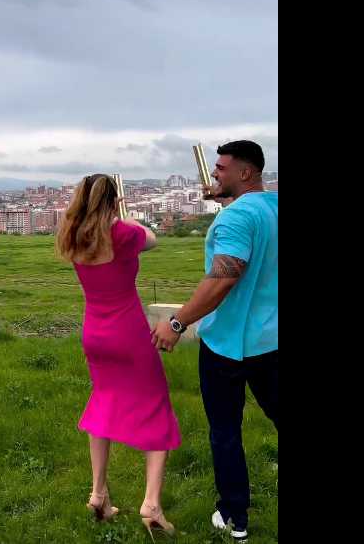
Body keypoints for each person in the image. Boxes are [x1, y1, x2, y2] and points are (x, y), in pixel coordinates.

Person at [151, 141, 278, 541]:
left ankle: (235, 517)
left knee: (225, 430)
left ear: (244, 172)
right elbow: (254, 229)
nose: (213, 174)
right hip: (270, 339)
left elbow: (224, 278)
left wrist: (177, 322)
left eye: (221, 169)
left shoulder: (236, 218)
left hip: (226, 344)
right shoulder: (271, 206)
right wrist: (225, 198)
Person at [56, 174, 180, 538]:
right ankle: (152, 505)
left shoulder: (73, 235)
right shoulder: (123, 235)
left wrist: (108, 213)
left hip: (95, 335)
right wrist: (124, 216)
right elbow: (152, 238)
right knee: (156, 405)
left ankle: (98, 494)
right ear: (114, 202)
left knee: (103, 402)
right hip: (129, 333)